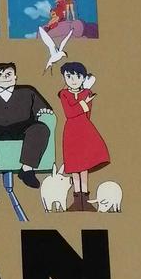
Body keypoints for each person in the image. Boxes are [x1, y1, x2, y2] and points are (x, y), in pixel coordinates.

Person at [0, 62, 55, 189]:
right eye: (0, 74)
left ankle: (27, 170)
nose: (4, 77)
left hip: (21, 129)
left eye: (8, 74)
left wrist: (44, 111)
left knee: (41, 128)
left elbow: (45, 109)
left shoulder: (28, 91)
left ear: (15, 77)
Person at [57, 61, 110, 211]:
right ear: (64, 78)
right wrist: (83, 105)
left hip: (85, 130)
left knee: (84, 166)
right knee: (74, 166)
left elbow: (87, 114)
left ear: (83, 78)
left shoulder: (87, 93)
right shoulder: (64, 94)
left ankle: (85, 200)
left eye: (77, 76)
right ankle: (77, 200)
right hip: (71, 132)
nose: (73, 80)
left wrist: (82, 106)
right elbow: (69, 113)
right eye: (69, 76)